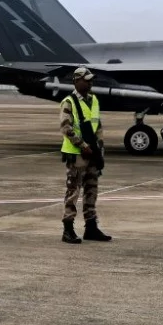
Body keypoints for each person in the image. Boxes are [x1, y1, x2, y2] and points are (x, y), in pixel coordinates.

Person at [59, 68, 111, 243]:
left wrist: (99, 149)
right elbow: (66, 128)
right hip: (77, 154)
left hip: (93, 154)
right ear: (76, 81)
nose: (90, 83)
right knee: (73, 191)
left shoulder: (93, 100)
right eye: (86, 80)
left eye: (91, 80)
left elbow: (98, 126)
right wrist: (82, 145)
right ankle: (68, 229)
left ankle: (91, 227)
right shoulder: (69, 102)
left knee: (92, 190)